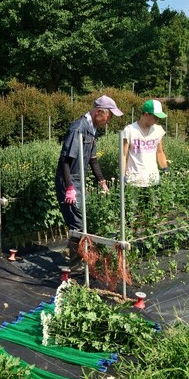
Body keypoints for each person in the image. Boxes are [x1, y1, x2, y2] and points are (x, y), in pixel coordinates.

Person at [55, 95, 123, 269]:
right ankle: (75, 266)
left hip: (78, 181)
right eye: (109, 116)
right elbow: (65, 161)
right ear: (99, 112)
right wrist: (69, 187)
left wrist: (102, 181)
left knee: (81, 222)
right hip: (69, 181)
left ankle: (76, 260)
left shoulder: (92, 130)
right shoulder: (78, 128)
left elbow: (92, 159)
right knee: (77, 224)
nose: (109, 120)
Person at [122, 99, 169, 187]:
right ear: (146, 114)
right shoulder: (130, 130)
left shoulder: (158, 130)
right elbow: (123, 155)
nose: (157, 120)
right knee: (133, 201)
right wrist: (123, 176)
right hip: (134, 180)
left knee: (154, 201)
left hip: (153, 180)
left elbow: (160, 152)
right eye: (155, 117)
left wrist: (165, 168)